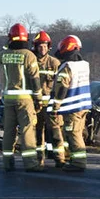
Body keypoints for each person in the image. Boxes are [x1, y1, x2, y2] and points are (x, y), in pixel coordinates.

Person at [0, 24, 42, 172]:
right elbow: (35, 79)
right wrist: (38, 98)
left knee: (9, 131)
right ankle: (31, 163)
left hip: (8, 99)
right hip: (24, 99)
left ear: (10, 38)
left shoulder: (4, 55)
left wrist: (8, 44)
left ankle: (7, 162)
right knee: (27, 130)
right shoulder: (29, 55)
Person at [51, 35, 92, 172]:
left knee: (73, 134)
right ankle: (75, 159)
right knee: (78, 133)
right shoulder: (85, 65)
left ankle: (79, 162)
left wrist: (55, 106)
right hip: (84, 105)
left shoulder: (67, 66)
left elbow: (61, 88)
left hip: (72, 107)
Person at [32, 30, 65, 167]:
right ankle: (40, 159)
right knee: (38, 134)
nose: (42, 48)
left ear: (49, 47)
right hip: (36, 105)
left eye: (45, 46)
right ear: (35, 47)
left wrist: (58, 104)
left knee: (56, 131)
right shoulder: (31, 62)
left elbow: (61, 84)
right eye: (40, 46)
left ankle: (60, 158)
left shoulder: (55, 62)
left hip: (51, 105)